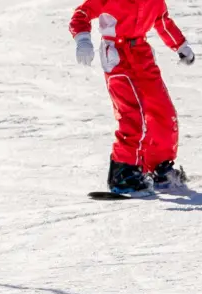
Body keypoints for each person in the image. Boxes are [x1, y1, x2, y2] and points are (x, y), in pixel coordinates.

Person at [70, 0, 195, 195]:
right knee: (132, 113)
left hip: (142, 53)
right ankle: (123, 172)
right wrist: (83, 39)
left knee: (162, 110)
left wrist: (181, 46)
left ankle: (159, 167)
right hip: (117, 56)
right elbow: (81, 14)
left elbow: (162, 20)